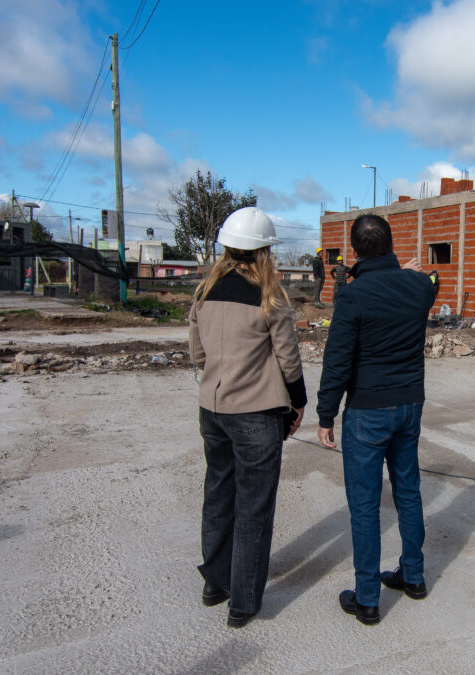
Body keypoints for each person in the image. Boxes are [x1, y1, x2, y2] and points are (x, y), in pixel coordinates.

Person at [188, 207, 306, 629]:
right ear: (263, 252)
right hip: (256, 414)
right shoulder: (270, 296)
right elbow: (289, 360)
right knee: (254, 507)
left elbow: (198, 355)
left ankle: (214, 584)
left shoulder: (205, 290)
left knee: (218, 496)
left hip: (213, 411)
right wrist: (298, 401)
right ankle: (243, 602)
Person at [316, 214, 436, 625]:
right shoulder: (420, 286)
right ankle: (414, 576)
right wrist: (398, 272)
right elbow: (419, 286)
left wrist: (325, 413)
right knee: (408, 491)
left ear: (354, 251)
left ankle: (367, 597)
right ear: (391, 244)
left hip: (367, 410)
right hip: (409, 406)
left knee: (365, 506)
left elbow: (338, 359)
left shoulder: (352, 295)